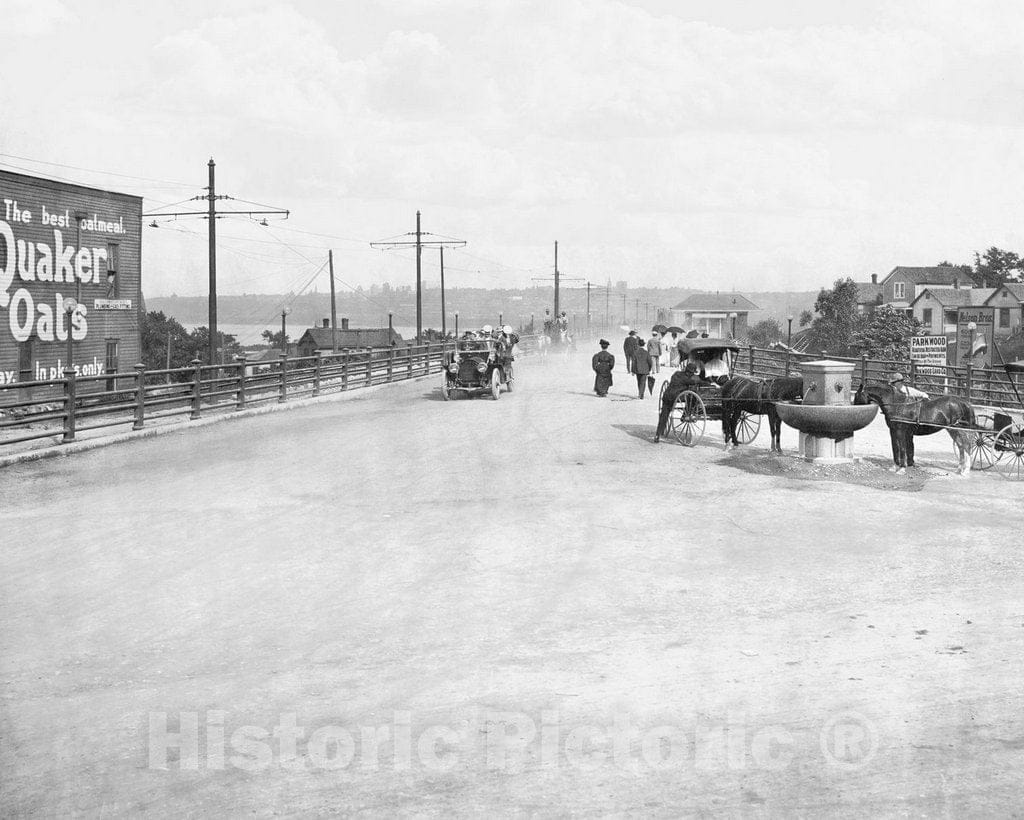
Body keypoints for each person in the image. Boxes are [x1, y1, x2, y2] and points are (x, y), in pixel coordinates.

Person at [654, 361, 701, 442]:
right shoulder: (687, 379)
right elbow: (698, 382)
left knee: (664, 415)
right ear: (690, 373)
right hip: (675, 397)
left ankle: (658, 434)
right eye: (692, 373)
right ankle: (686, 414)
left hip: (667, 395)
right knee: (691, 397)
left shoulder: (676, 374)